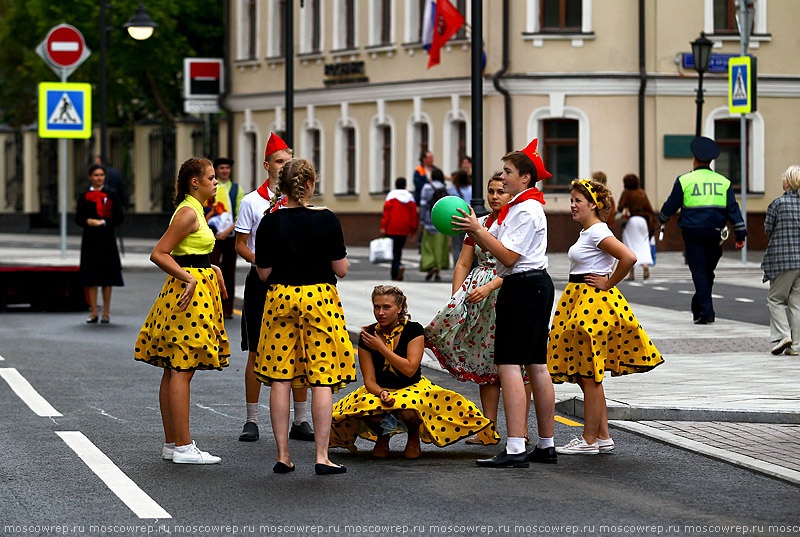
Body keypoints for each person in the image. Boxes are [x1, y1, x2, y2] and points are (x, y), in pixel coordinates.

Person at [453, 138, 556, 468]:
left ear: (525, 178)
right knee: (536, 364)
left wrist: (475, 229)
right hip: (531, 286)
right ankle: (545, 444)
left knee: (511, 364)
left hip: (523, 286)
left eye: (509, 172)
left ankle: (515, 447)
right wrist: (479, 226)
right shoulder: (520, 207)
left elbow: (509, 257)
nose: (504, 176)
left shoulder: (526, 210)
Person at [254, 158, 355, 475]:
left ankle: (283, 455)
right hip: (320, 299)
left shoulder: (270, 221)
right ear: (311, 184)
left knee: (281, 378)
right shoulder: (327, 219)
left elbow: (263, 273)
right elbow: (341, 269)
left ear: (282, 186)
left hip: (281, 297)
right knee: (321, 378)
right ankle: (322, 456)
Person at [549, 179, 663, 454]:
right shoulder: (590, 231)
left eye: (578, 200)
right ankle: (602, 436)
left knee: (589, 374)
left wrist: (608, 282)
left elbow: (628, 257)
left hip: (592, 302)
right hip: (582, 299)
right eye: (572, 199)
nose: (572, 205)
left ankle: (588, 440)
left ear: (594, 205)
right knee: (589, 373)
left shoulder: (597, 231)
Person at [134, 157, 230, 464]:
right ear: (195, 182)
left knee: (173, 368)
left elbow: (187, 253)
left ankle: (172, 443)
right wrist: (190, 276)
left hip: (190, 288)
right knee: (182, 369)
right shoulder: (189, 212)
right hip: (188, 296)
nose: (216, 182)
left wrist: (209, 267)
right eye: (212, 178)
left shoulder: (195, 210)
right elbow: (159, 253)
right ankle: (184, 447)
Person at [330, 285, 495, 458]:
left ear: (399, 308)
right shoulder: (368, 336)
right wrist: (382, 393)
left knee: (408, 410)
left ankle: (413, 436)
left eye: (387, 307)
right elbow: (369, 380)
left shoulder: (414, 330)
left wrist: (381, 348)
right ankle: (382, 437)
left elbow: (409, 370)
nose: (380, 312)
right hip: (381, 389)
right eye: (377, 307)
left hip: (412, 388)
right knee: (365, 408)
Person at [234, 133, 316, 442]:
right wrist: (260, 261)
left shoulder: (300, 201)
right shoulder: (252, 201)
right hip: (262, 280)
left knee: (299, 349)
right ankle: (251, 418)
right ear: (267, 165)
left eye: (289, 161)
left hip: (294, 280)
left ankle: (301, 419)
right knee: (256, 349)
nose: (285, 166)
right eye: (280, 162)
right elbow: (240, 244)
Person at [425, 172, 510, 445]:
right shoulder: (479, 223)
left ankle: (521, 430)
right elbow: (463, 263)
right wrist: (456, 299)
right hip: (479, 300)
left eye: (501, 191)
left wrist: (489, 286)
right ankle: (489, 428)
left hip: (506, 294)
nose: (495, 196)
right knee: (487, 365)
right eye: (491, 191)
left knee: (517, 367)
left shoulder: (514, 224)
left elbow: (516, 264)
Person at [658, 136, 747, 324]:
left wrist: (662, 219)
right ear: (711, 160)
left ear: (695, 159)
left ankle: (704, 311)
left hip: (692, 232)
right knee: (707, 271)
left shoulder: (684, 180)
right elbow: (733, 209)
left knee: (700, 271)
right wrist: (741, 233)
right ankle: (702, 307)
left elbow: (671, 205)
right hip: (715, 233)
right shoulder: (723, 182)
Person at [75, 164, 124, 324]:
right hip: (90, 240)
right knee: (91, 276)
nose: (99, 178)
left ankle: (106, 312)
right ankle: (94, 312)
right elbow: (78, 218)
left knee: (107, 277)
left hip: (107, 239)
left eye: (101, 175)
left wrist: (104, 222)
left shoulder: (111, 194)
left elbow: (119, 217)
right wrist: (88, 221)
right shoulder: (84, 195)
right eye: (96, 175)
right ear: (90, 177)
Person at [761, 165, 800, 357]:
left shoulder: (777, 204)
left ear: (789, 182)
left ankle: (783, 335)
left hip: (784, 259)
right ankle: (796, 346)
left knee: (775, 299)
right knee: (796, 302)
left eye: (784, 177)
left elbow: (768, 230)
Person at [209, 157, 241, 319]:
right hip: (211, 234)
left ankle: (227, 308)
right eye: (221, 168)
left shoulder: (236, 189)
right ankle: (213, 305)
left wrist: (227, 230)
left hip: (230, 236)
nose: (224, 171)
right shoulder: (209, 187)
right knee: (212, 269)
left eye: (227, 168)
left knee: (229, 271)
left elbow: (239, 214)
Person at [617, 173, 655, 280]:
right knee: (643, 244)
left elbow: (620, 207)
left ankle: (631, 274)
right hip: (643, 222)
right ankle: (645, 265)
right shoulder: (641, 193)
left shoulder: (627, 193)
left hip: (631, 221)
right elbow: (649, 209)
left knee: (630, 246)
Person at [380, 177, 418, 281]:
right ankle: (398, 267)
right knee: (398, 250)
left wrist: (383, 227)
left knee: (393, 251)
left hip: (391, 228)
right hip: (404, 229)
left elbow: (386, 213)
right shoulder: (410, 198)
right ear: (405, 186)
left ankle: (395, 272)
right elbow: (414, 215)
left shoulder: (391, 196)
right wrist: (413, 230)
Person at [419, 168, 450, 281]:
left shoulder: (427, 187)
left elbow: (423, 205)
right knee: (440, 247)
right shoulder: (445, 188)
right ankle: (438, 269)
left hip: (428, 221)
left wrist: (421, 221)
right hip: (441, 222)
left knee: (428, 247)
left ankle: (430, 265)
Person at [448, 169, 473, 263]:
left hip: (455, 219)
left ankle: (457, 266)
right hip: (468, 219)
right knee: (468, 245)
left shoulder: (452, 190)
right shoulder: (471, 189)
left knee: (456, 246)